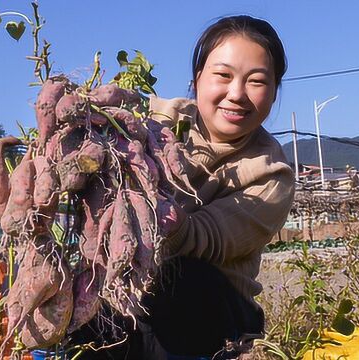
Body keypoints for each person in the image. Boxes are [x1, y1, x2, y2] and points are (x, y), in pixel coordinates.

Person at [74, 15, 294, 360]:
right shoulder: (155, 119)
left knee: (183, 278)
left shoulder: (271, 176)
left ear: (274, 91)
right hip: (127, 291)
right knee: (82, 291)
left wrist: (153, 206)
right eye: (223, 75)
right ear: (197, 80)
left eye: (256, 81)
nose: (236, 94)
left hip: (213, 315)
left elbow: (200, 240)